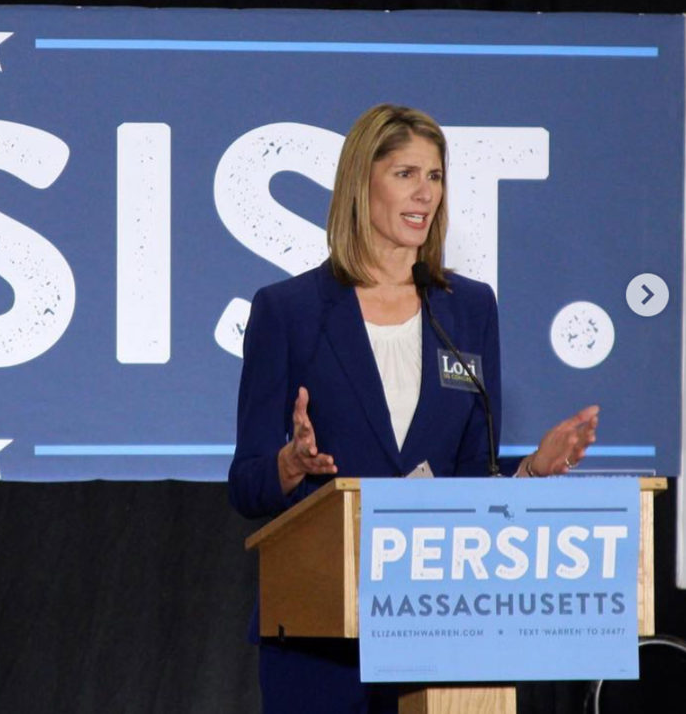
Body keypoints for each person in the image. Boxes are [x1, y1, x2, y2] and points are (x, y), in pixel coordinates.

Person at [227, 103, 598, 714]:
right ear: (360, 184)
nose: (424, 192)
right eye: (405, 174)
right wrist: (292, 463)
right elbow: (245, 485)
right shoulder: (289, 312)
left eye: (435, 175)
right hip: (321, 637)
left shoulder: (469, 310)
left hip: (441, 622)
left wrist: (532, 470)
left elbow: (474, 483)